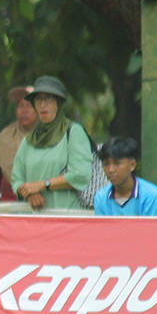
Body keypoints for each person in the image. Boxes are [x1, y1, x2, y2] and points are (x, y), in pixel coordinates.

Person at [11, 76, 92, 212]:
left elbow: (80, 175)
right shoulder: (29, 140)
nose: (42, 105)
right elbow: (17, 179)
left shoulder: (73, 132)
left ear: (58, 103)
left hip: (67, 219)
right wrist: (30, 193)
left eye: (48, 99)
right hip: (36, 221)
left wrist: (42, 185)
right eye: (38, 100)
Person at [0, 85, 37, 202]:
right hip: (8, 206)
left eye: (29, 105)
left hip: (41, 206)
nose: (24, 110)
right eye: (20, 106)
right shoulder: (5, 137)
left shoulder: (50, 137)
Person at [93, 137, 157, 216]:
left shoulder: (151, 196)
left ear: (132, 165)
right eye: (106, 164)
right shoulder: (101, 198)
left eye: (117, 163)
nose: (111, 170)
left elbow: (154, 228)